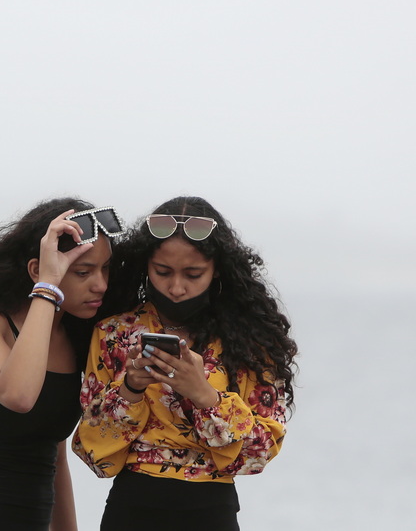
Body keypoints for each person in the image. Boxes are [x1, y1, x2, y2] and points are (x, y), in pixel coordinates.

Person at [72, 196, 298, 531]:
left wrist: (204, 394)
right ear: (145, 264)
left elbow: (259, 453)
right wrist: (131, 388)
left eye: (193, 274)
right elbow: (94, 454)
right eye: (162, 272)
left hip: (212, 512)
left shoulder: (251, 342)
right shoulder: (114, 333)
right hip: (131, 508)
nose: (176, 287)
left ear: (217, 268)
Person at [0, 197, 127, 531]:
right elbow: (19, 395)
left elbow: (54, 454)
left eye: (105, 269)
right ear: (38, 269)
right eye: (83, 271)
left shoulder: (76, 337)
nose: (100, 284)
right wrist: (47, 288)